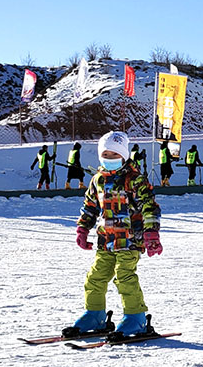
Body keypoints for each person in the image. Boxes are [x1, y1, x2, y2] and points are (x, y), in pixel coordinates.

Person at [63, 131, 162, 340]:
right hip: (105, 241)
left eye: (114, 155)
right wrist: (82, 229)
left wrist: (151, 234)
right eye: (106, 155)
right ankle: (94, 315)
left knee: (125, 277)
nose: (109, 159)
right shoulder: (97, 180)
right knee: (95, 278)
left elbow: (150, 208)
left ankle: (136, 318)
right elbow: (89, 207)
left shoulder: (135, 180)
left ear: (125, 156)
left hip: (129, 240)